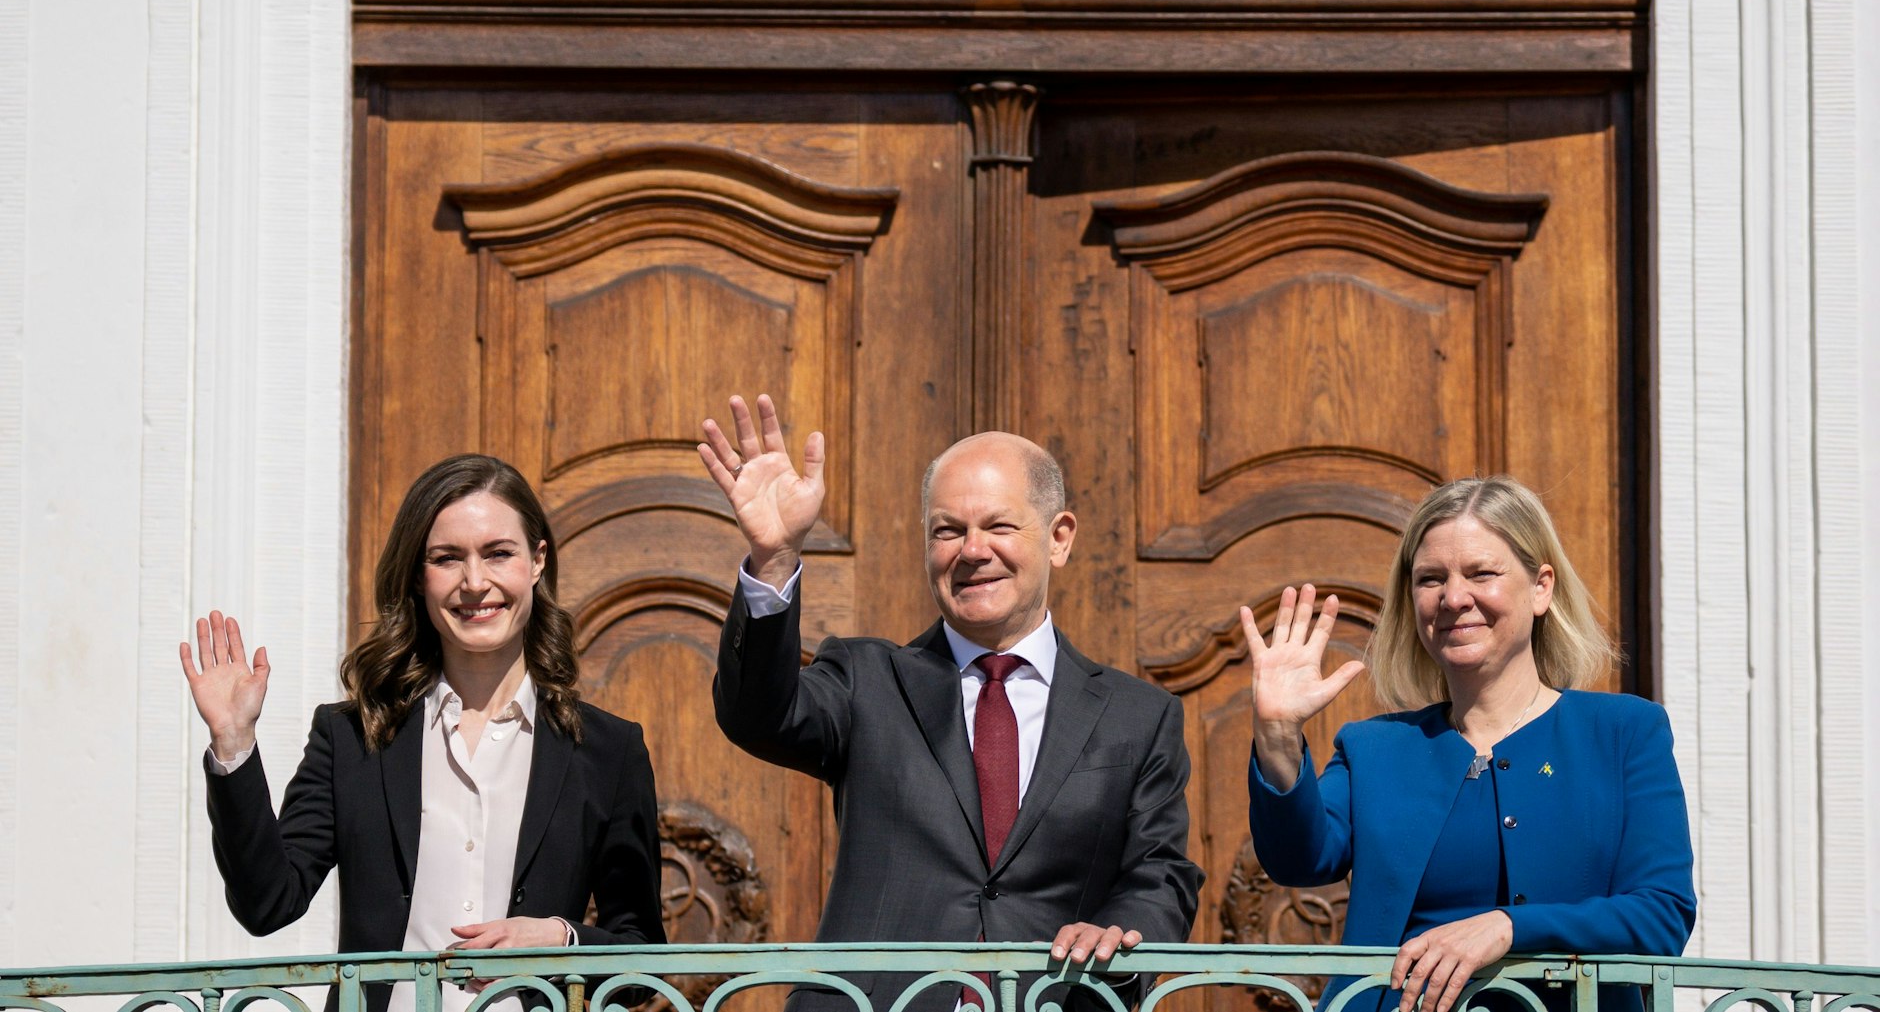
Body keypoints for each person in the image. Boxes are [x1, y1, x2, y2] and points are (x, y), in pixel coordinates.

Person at [698, 394, 1202, 1012]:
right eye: (948, 530)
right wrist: (775, 561)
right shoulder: (867, 679)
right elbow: (759, 716)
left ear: (1059, 537)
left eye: (998, 526)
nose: (970, 550)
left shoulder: (1139, 717)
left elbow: (1161, 873)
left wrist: (1120, 931)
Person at [181, 454, 666, 1012]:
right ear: (417, 575)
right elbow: (267, 904)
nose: (475, 582)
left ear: (536, 562)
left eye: (498, 554)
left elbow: (642, 962)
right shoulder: (350, 737)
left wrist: (560, 938)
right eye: (447, 559)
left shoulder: (610, 751)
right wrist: (234, 743)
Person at [1243, 476, 1694, 1012]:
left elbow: (1661, 915)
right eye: (1430, 578)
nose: (1454, 598)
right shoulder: (1374, 748)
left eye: (1482, 573)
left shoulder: (1624, 732)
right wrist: (1276, 734)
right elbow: (1300, 862)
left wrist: (1508, 927)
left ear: (1541, 587)